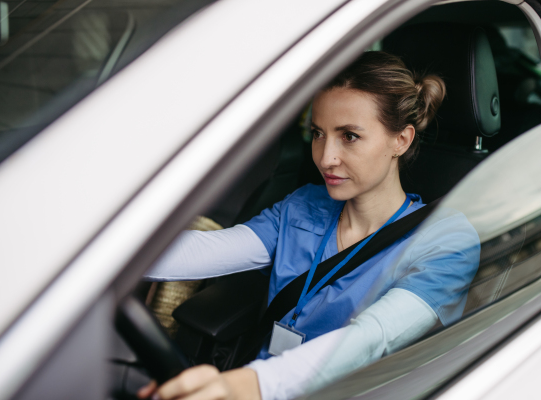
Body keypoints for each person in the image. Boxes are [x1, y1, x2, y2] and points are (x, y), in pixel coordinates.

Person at [138, 51, 480, 400]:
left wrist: (252, 384)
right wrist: (110, 253)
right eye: (318, 133)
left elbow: (372, 338)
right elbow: (205, 251)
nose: (325, 157)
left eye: (349, 136)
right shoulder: (305, 206)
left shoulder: (445, 239)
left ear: (401, 140)